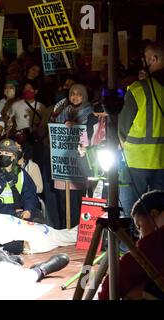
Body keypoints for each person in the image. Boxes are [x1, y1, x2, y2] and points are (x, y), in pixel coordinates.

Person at [118, 41, 164, 219]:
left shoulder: (139, 89)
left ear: (154, 59)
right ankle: (155, 245)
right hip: (161, 162)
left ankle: (126, 245)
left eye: (145, 57)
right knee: (159, 211)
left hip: (136, 160)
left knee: (130, 208)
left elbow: (123, 128)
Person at [98, 190, 164, 300]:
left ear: (153, 215)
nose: (140, 236)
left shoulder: (154, 242)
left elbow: (122, 273)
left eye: (139, 226)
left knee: (137, 292)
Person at [52, 83, 93, 228]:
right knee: (64, 202)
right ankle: (66, 230)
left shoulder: (90, 112)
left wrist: (75, 125)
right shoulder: (64, 111)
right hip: (64, 162)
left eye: (79, 94)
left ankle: (78, 231)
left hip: (80, 162)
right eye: (72, 94)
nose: (75, 97)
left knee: (79, 200)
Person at [0, 138, 41, 221]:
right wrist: (14, 212)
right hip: (1, 215)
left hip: (22, 213)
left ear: (14, 156)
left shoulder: (21, 173)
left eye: (6, 153)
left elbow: (30, 194)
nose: (3, 155)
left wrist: (28, 210)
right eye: (0, 153)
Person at [6, 81, 47, 145]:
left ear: (36, 91)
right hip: (19, 138)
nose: (27, 90)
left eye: (30, 88)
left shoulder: (41, 107)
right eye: (25, 89)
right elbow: (8, 118)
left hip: (35, 139)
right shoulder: (16, 105)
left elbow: (44, 124)